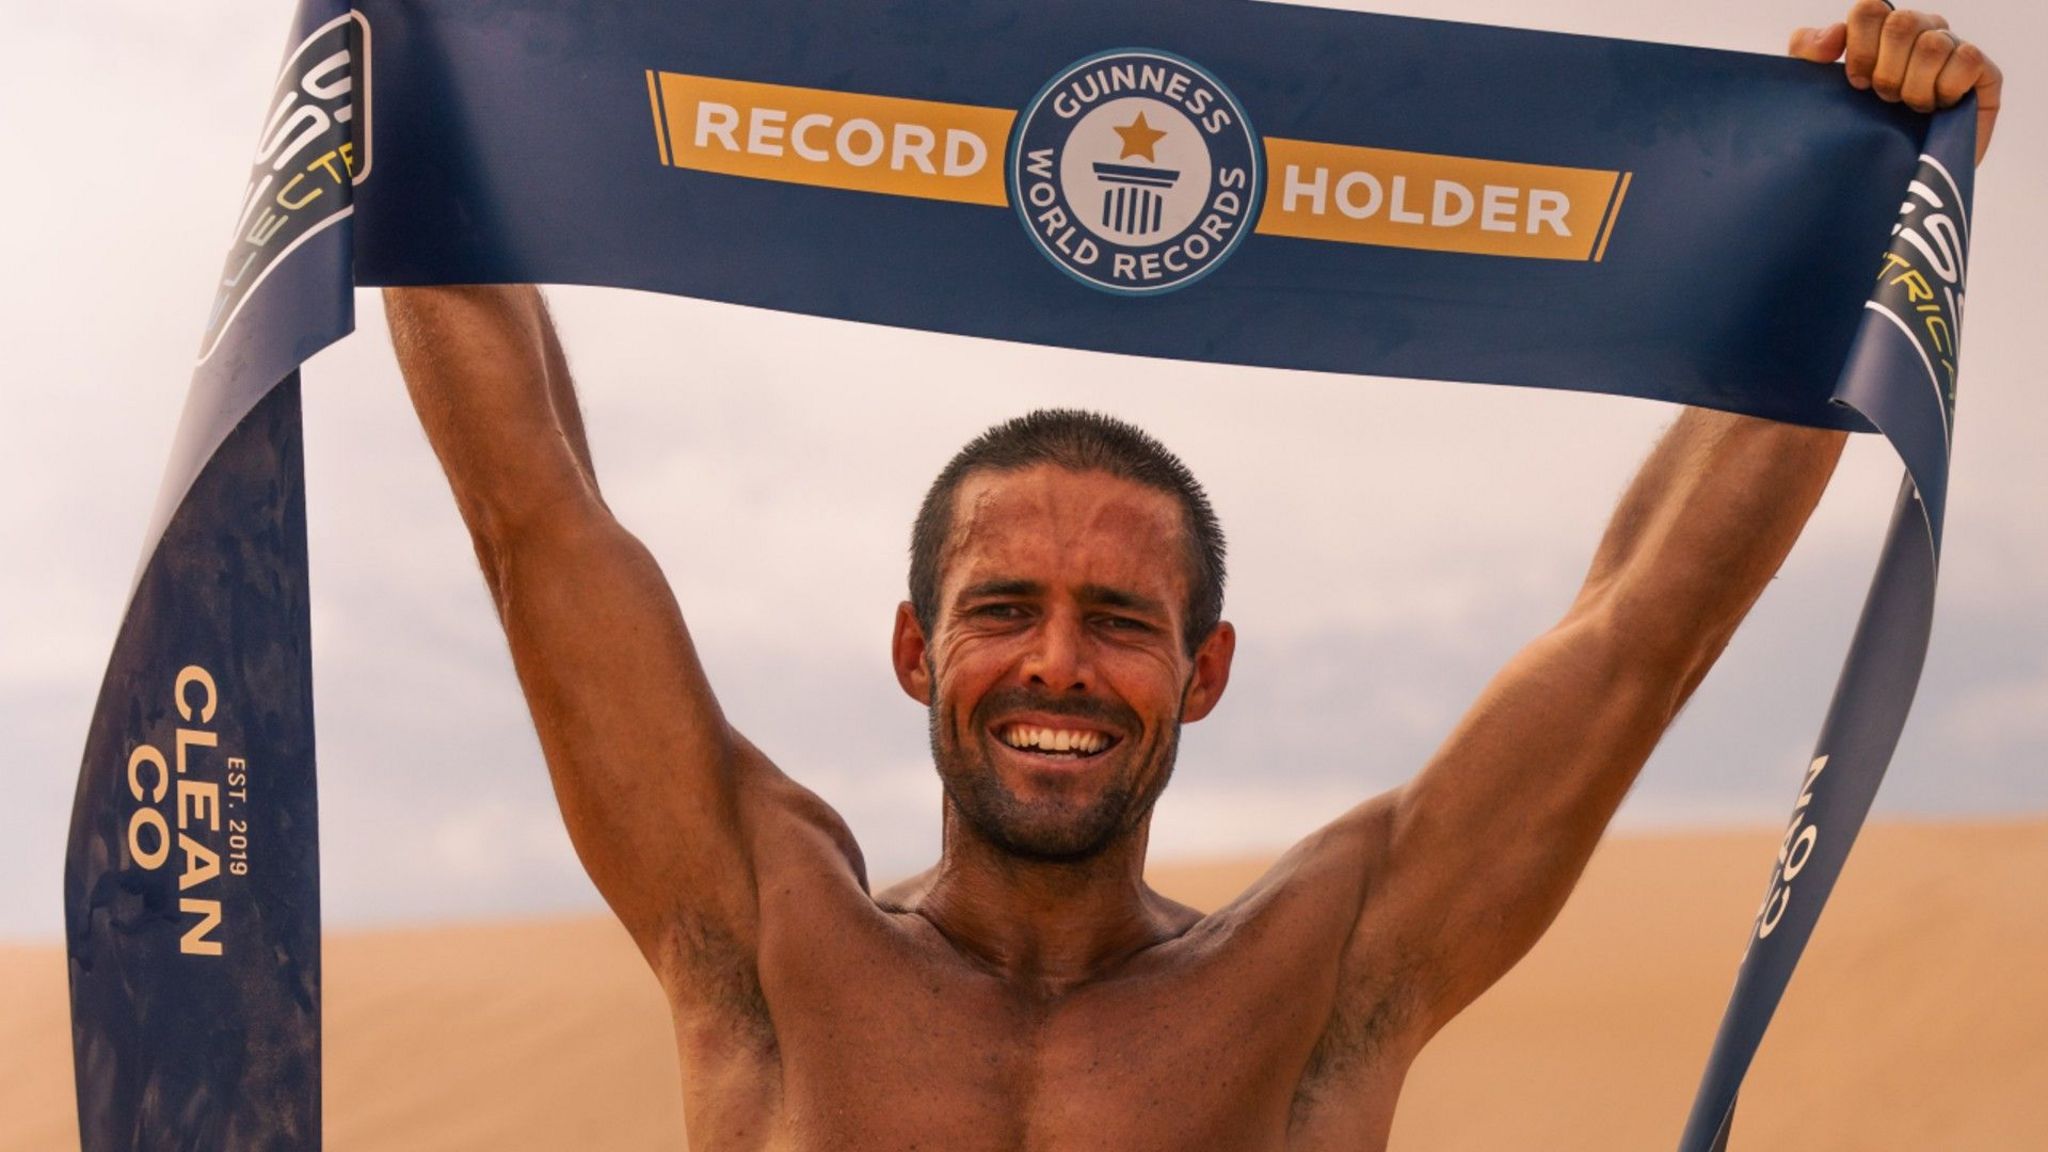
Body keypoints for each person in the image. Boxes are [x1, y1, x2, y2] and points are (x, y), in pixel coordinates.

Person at [383, 5, 2000, 1148]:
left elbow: (1641, 624)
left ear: (1205, 671)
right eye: (1002, 609)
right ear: (913, 648)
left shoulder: (1322, 974)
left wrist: (1867, 225)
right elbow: (540, 513)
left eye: (1121, 622)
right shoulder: (766, 933)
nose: (1059, 666)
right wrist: (421, 82)